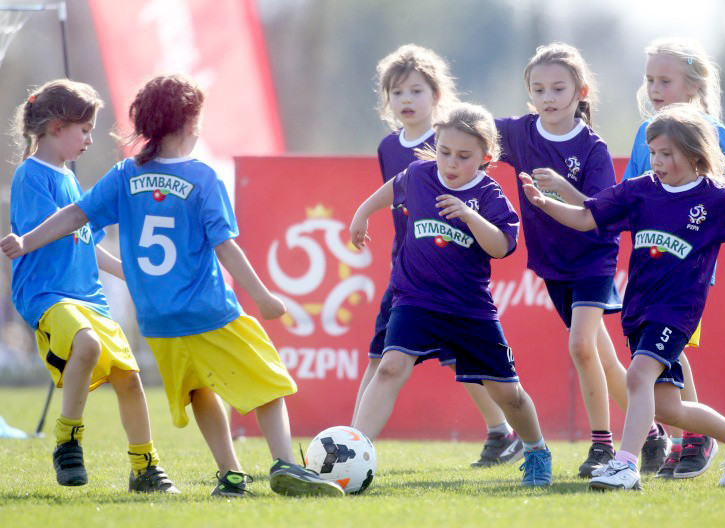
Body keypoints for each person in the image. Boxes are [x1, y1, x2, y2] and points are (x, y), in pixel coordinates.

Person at [1, 75, 343, 498]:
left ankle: (230, 476)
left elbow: (76, 217)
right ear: (188, 125)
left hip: (159, 320)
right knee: (270, 383)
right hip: (208, 309)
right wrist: (263, 297)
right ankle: (287, 464)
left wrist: (26, 241)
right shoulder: (202, 177)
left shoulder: (126, 173)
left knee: (200, 389)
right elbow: (226, 247)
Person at [521, 103, 725, 491]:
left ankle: (625, 466)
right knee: (667, 407)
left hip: (677, 311)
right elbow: (585, 217)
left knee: (638, 376)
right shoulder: (641, 190)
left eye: (667, 154)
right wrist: (545, 203)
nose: (658, 161)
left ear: (695, 154)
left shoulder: (715, 199)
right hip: (640, 309)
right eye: (654, 154)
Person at [349, 102, 553, 486]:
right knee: (391, 366)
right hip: (415, 301)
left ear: (485, 158)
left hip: (470, 311)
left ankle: (537, 450)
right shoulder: (420, 174)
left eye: (463, 156)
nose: (451, 163)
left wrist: (470, 215)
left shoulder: (491, 197)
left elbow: (500, 246)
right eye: (444, 152)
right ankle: (353, 451)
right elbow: (392, 189)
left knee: (509, 395)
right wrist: (362, 213)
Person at [494, 43, 666, 478]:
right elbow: (472, 132)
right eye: (538, 89)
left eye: (558, 88)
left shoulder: (591, 147)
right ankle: (652, 435)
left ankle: (602, 447)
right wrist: (433, 118)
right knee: (602, 359)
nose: (547, 97)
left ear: (580, 91)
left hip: (594, 259)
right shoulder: (518, 133)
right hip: (553, 263)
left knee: (579, 346)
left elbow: (601, 212)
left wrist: (561, 188)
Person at [3, 79, 177, 493]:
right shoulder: (32, 176)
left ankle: (145, 468)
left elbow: (87, 241)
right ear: (56, 127)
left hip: (88, 298)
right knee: (88, 346)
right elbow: (51, 230)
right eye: (84, 129)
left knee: (129, 378)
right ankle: (68, 441)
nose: (90, 138)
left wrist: (130, 276)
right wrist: (26, 241)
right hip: (47, 296)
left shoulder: (70, 180)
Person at [358, 44, 524, 468]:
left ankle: (503, 431)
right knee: (383, 358)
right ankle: (349, 445)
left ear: (437, 95)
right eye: (397, 93)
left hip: (452, 281)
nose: (406, 100)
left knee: (464, 363)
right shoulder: (389, 148)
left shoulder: (451, 139)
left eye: (416, 90)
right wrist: (362, 213)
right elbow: (396, 197)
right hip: (408, 275)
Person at [622, 37, 725, 479]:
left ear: (695, 85)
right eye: (650, 79)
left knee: (667, 347)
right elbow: (629, 194)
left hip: (688, 268)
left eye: (665, 79)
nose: (655, 87)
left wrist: (700, 212)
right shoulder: (646, 134)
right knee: (664, 348)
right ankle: (697, 433)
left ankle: (696, 438)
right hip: (650, 266)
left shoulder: (708, 130)